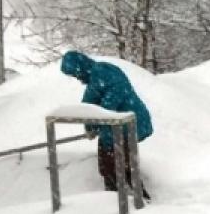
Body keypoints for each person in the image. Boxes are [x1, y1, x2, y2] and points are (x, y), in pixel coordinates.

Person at [60, 50, 154, 198]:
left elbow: (108, 103)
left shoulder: (102, 72)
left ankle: (121, 201)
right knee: (120, 164)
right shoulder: (97, 74)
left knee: (112, 165)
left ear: (81, 66)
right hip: (122, 124)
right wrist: (90, 125)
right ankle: (129, 199)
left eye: (75, 73)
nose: (76, 78)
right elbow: (89, 103)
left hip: (127, 123)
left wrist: (94, 124)